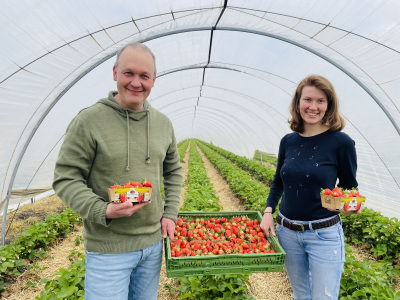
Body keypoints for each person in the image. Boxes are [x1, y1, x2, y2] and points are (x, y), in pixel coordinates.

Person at [53, 42, 183, 300]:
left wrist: (170, 213)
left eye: (144, 76)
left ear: (154, 80)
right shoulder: (89, 121)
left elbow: (174, 170)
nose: (136, 83)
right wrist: (103, 210)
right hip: (108, 251)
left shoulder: (162, 124)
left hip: (152, 246)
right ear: (115, 73)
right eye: (129, 73)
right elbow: (66, 178)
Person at [260, 75, 360, 300]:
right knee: (301, 294)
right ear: (297, 103)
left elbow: (348, 187)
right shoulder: (288, 141)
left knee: (324, 296)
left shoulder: (341, 142)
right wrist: (268, 212)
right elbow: (278, 181)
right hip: (287, 231)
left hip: (323, 234)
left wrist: (348, 205)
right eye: (308, 99)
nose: (313, 107)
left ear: (329, 105)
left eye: (321, 101)